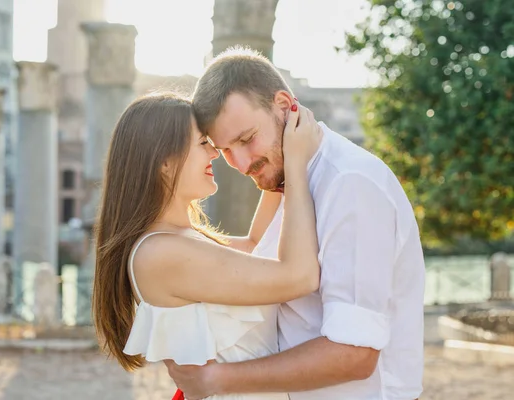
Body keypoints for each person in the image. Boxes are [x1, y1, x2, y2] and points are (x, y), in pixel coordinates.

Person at [165, 47, 426, 400]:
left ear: (285, 105)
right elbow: (255, 251)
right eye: (225, 150)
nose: (241, 164)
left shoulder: (350, 185)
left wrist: (217, 380)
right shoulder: (291, 177)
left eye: (246, 139)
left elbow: (355, 354)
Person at [91, 91, 323, 399]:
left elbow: (256, 245)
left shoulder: (178, 241)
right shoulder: (160, 253)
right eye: (203, 143)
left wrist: (277, 151)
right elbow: (300, 277)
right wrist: (295, 162)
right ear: (164, 161)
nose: (214, 154)